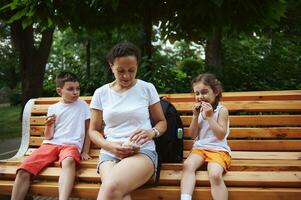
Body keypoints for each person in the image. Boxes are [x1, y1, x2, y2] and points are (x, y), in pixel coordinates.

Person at [89, 42, 167, 200]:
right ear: (111, 66)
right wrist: (109, 146)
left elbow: (161, 122)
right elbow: (93, 131)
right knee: (120, 194)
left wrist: (151, 132)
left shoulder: (147, 88)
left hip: (142, 152)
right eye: (120, 71)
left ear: (137, 65)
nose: (126, 76)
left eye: (132, 70)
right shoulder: (100, 93)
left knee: (110, 187)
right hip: (110, 153)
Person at [11, 72, 91, 200]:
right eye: (70, 89)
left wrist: (85, 151)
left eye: (78, 88)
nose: (75, 92)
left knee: (69, 161)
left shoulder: (83, 106)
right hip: (50, 145)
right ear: (60, 91)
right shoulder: (53, 108)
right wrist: (48, 125)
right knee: (23, 170)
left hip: (70, 146)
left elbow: (88, 130)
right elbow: (48, 137)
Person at [180, 73, 231, 200]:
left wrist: (209, 117)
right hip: (199, 149)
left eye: (204, 92)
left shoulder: (222, 111)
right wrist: (195, 117)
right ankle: (185, 198)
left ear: (216, 92)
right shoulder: (199, 112)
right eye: (197, 94)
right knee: (187, 166)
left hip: (218, 150)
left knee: (214, 175)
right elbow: (192, 135)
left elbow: (220, 135)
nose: (200, 97)